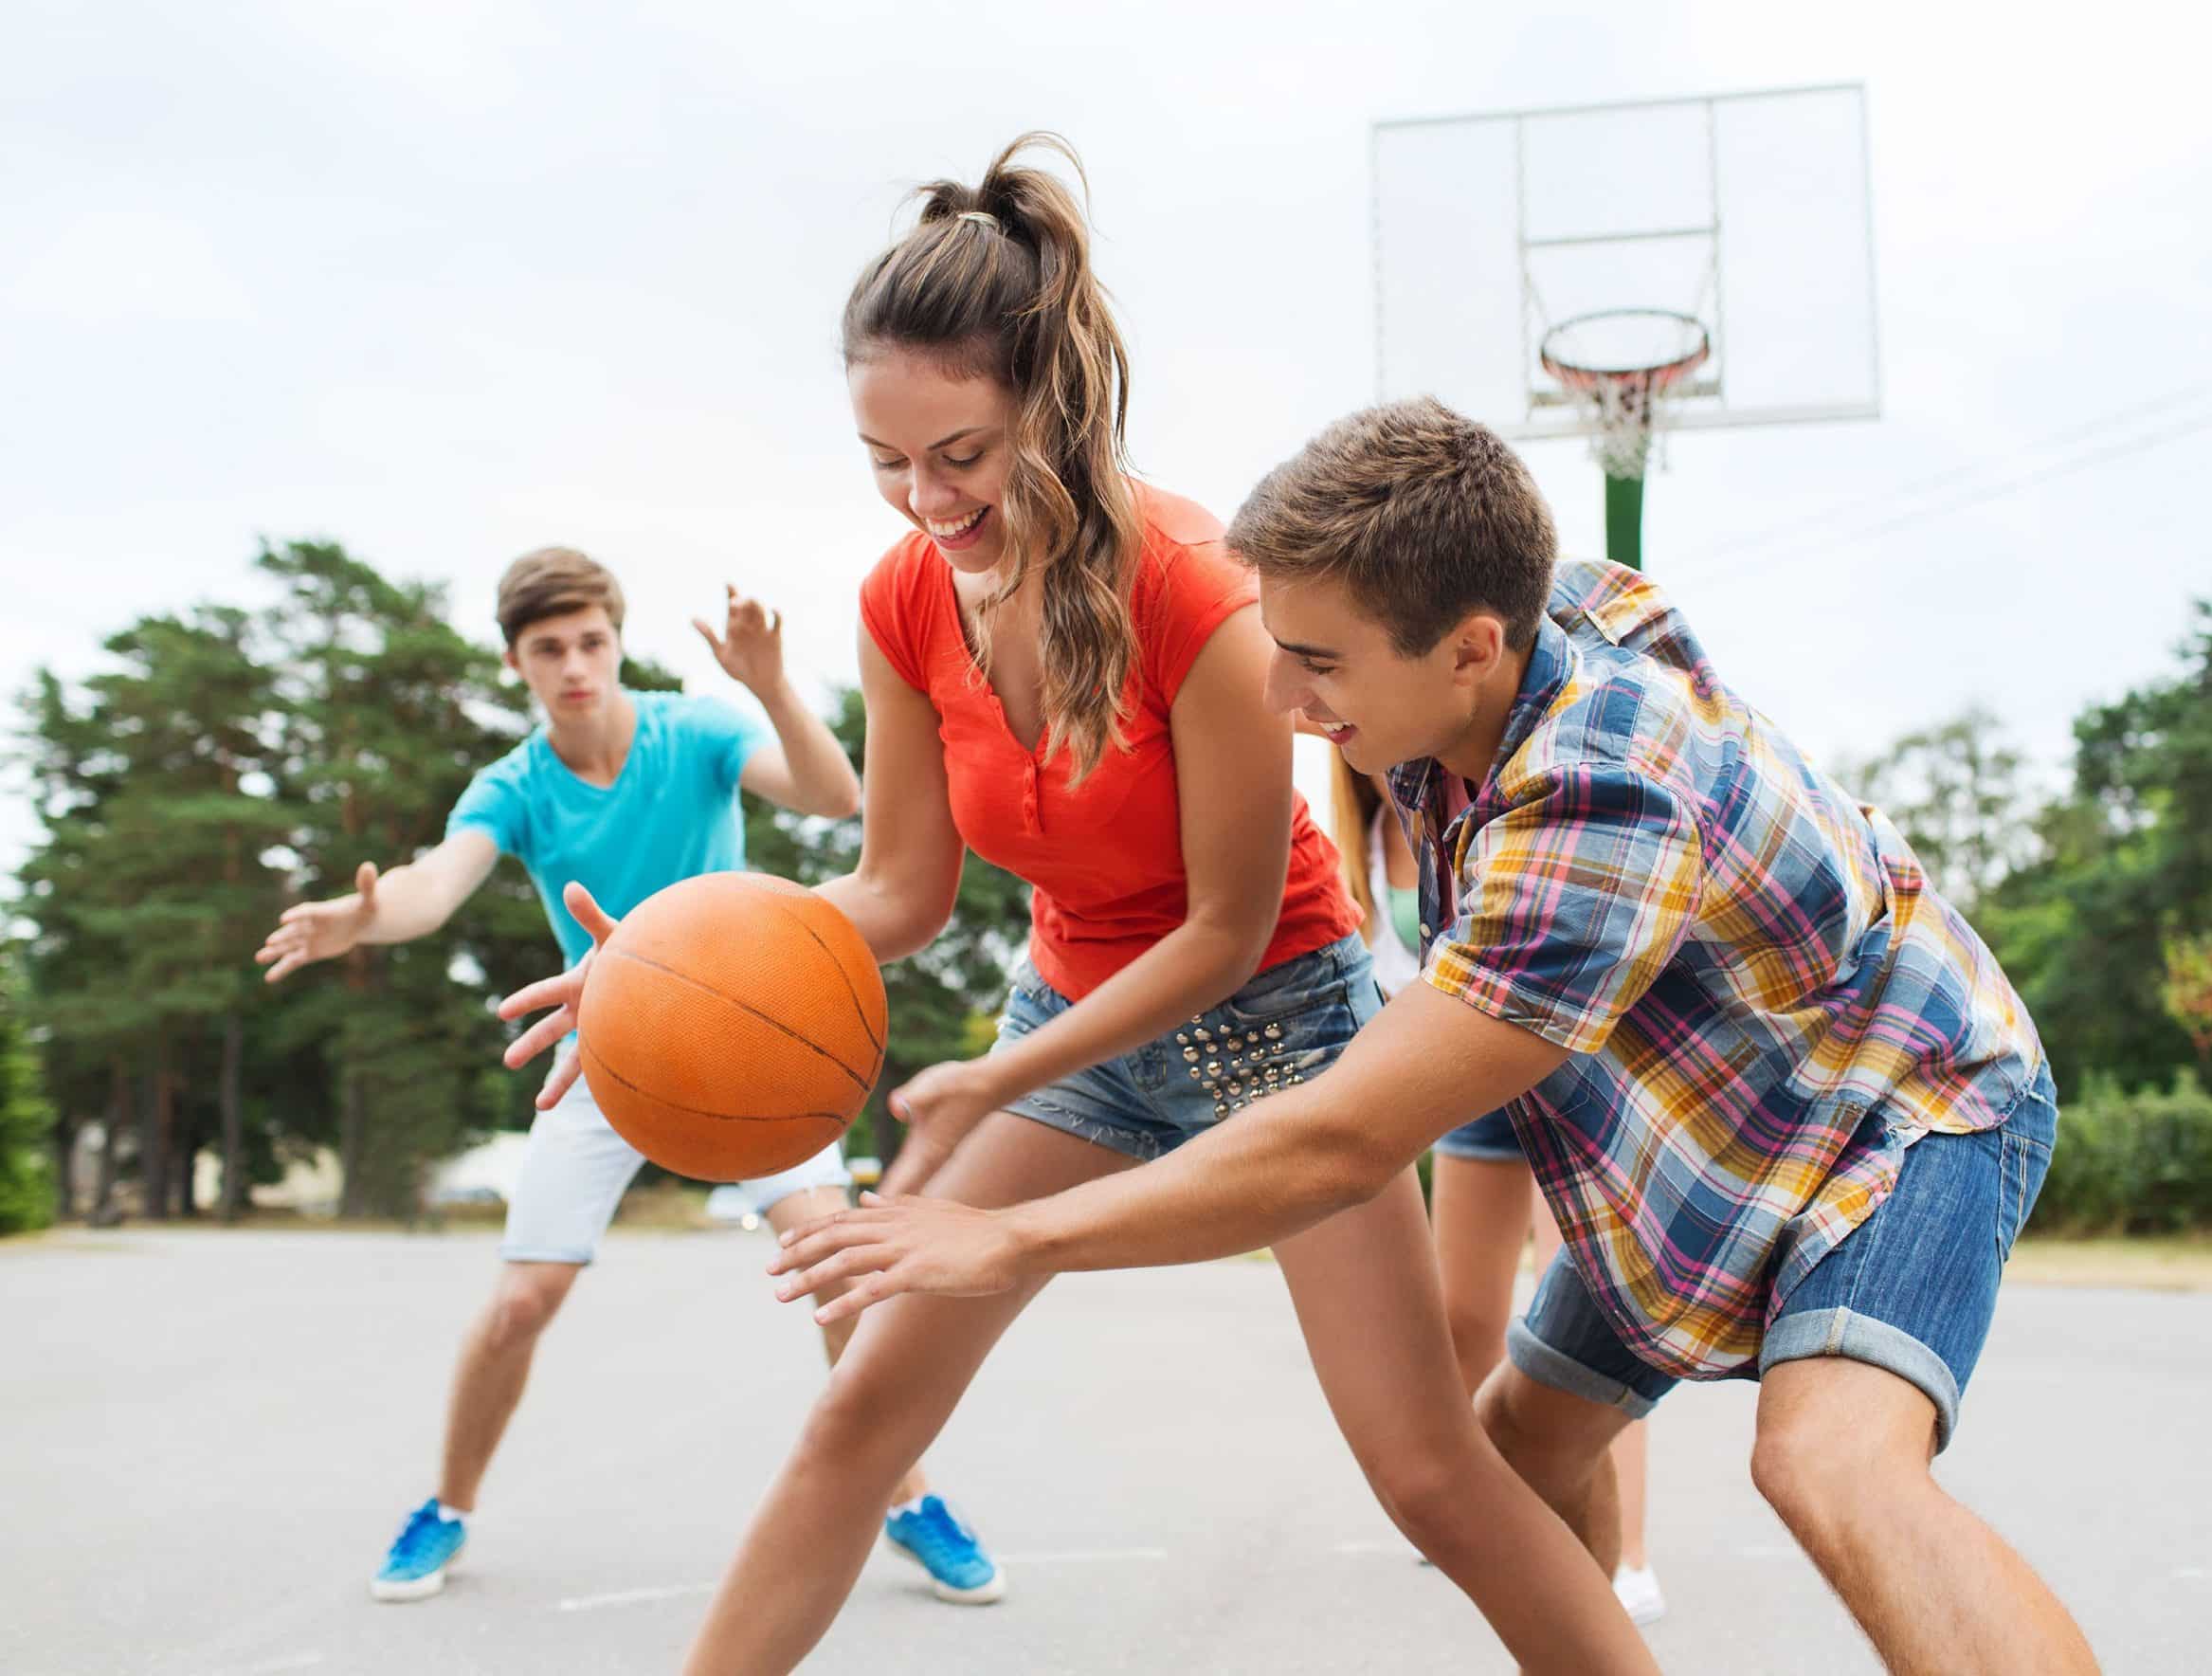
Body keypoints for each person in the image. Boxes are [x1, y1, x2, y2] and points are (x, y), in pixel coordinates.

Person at [499, 138, 1655, 1675]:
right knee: (858, 1415)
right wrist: (659, 965)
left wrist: (998, 1072)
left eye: (961, 454)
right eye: (885, 462)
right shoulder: (903, 595)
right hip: (1073, 1022)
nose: (926, 499)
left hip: (1284, 1029)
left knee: (1433, 1476)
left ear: (1055, 397)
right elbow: (900, 888)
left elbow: (1224, 930)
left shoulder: (1202, 589)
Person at [782, 398, 2101, 1675]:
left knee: (1825, 1463)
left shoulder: (1593, 808)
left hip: (1893, 1102)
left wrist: (1009, 1236)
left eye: (1318, 665)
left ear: (1470, 648)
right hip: (1693, 1133)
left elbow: (1340, 1137)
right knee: (1515, 1462)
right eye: (1280, 648)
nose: (1286, 701)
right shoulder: (1515, 620)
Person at [255, 552, 998, 1606]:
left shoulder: (691, 731)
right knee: (521, 1301)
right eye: (549, 649)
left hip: (751, 1042)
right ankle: (447, 1505)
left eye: (591, 641)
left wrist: (770, 682)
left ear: (615, 638)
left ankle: (908, 1495)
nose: (575, 665)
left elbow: (833, 797)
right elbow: (433, 884)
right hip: (602, 1052)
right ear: (516, 660)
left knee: (836, 1267)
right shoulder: (513, 784)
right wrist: (365, 916)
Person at [1331, 752, 1665, 1627]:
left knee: (1590, 1328)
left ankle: (1627, 1557)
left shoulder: (1481, 795)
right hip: (1465, 1095)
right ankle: (1490, 1504)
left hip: (1567, 1077)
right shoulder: (1359, 841)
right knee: (1463, 1321)